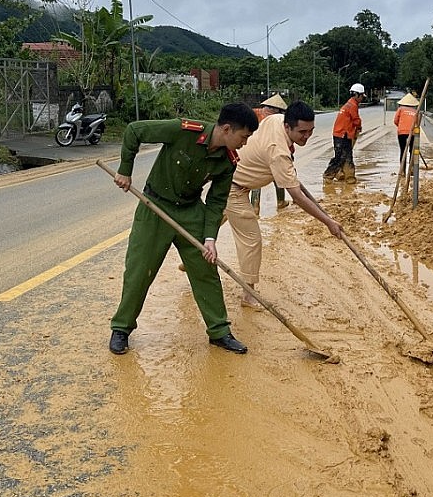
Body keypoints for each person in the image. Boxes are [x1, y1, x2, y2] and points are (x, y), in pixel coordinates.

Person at [108, 102, 260, 356]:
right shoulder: (183, 130)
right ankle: (121, 329)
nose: (245, 142)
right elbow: (134, 131)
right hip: (155, 206)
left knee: (206, 271)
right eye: (244, 137)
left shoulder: (228, 161)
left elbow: (215, 202)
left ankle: (219, 331)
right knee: (139, 270)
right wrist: (125, 171)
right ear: (226, 129)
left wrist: (210, 237)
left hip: (191, 211)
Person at [225, 100, 344, 307]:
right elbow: (297, 197)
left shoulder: (277, 120)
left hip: (232, 178)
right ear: (287, 126)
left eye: (310, 131)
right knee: (252, 240)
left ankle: (193, 259)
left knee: (209, 225)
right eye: (302, 132)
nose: (306, 136)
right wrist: (329, 222)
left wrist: (290, 172)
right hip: (233, 189)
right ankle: (248, 294)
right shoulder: (278, 152)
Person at [251, 93, 288, 213]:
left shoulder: (255, 113)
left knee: (256, 179)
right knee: (278, 178)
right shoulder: (279, 120)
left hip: (255, 152)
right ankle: (281, 202)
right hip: (272, 152)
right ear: (277, 110)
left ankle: (255, 206)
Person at [323, 82, 365, 183]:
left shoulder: (350, 104)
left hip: (344, 134)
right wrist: (359, 127)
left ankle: (349, 176)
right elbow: (356, 120)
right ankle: (328, 176)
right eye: (361, 96)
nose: (362, 98)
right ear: (356, 95)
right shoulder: (352, 105)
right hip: (341, 135)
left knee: (347, 156)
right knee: (340, 157)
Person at [394, 92, 420, 170]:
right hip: (412, 133)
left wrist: (402, 127)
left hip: (401, 133)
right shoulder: (416, 112)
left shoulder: (400, 109)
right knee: (412, 151)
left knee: (403, 151)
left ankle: (402, 170)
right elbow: (417, 124)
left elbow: (395, 121)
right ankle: (412, 169)